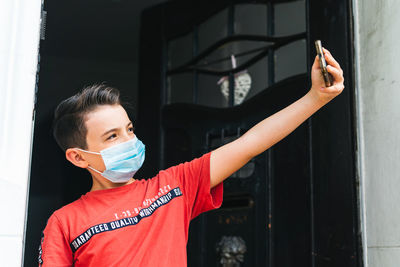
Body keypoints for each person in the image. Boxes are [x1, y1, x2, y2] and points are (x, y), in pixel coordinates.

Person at [38, 48, 344, 267]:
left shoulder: (172, 187)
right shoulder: (65, 222)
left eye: (129, 129)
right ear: (79, 158)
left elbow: (251, 143)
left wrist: (315, 98)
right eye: (112, 136)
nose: (129, 141)